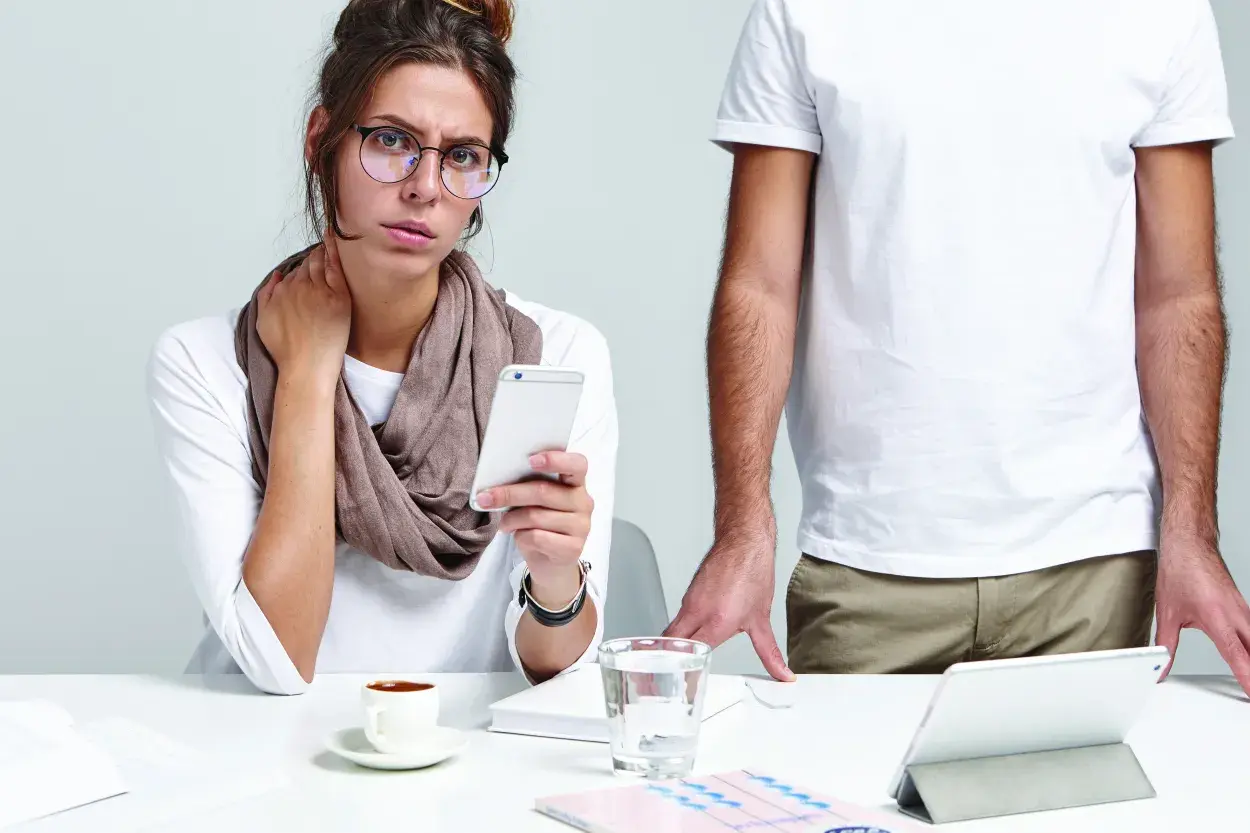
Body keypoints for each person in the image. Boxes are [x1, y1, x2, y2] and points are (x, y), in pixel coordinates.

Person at [665, 0, 1250, 695]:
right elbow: (759, 286)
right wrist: (741, 529)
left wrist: (1192, 532)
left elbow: (1179, 296)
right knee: (842, 773)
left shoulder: (1162, 13)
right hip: (867, 564)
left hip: (1092, 567)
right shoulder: (802, 11)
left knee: (1090, 776)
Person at [146, 0, 617, 695]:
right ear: (322, 141)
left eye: (463, 156)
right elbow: (280, 663)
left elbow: (555, 669)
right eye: (393, 141)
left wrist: (555, 579)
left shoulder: (553, 353)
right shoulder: (205, 363)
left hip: (463, 744)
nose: (425, 187)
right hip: (258, 743)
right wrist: (307, 373)